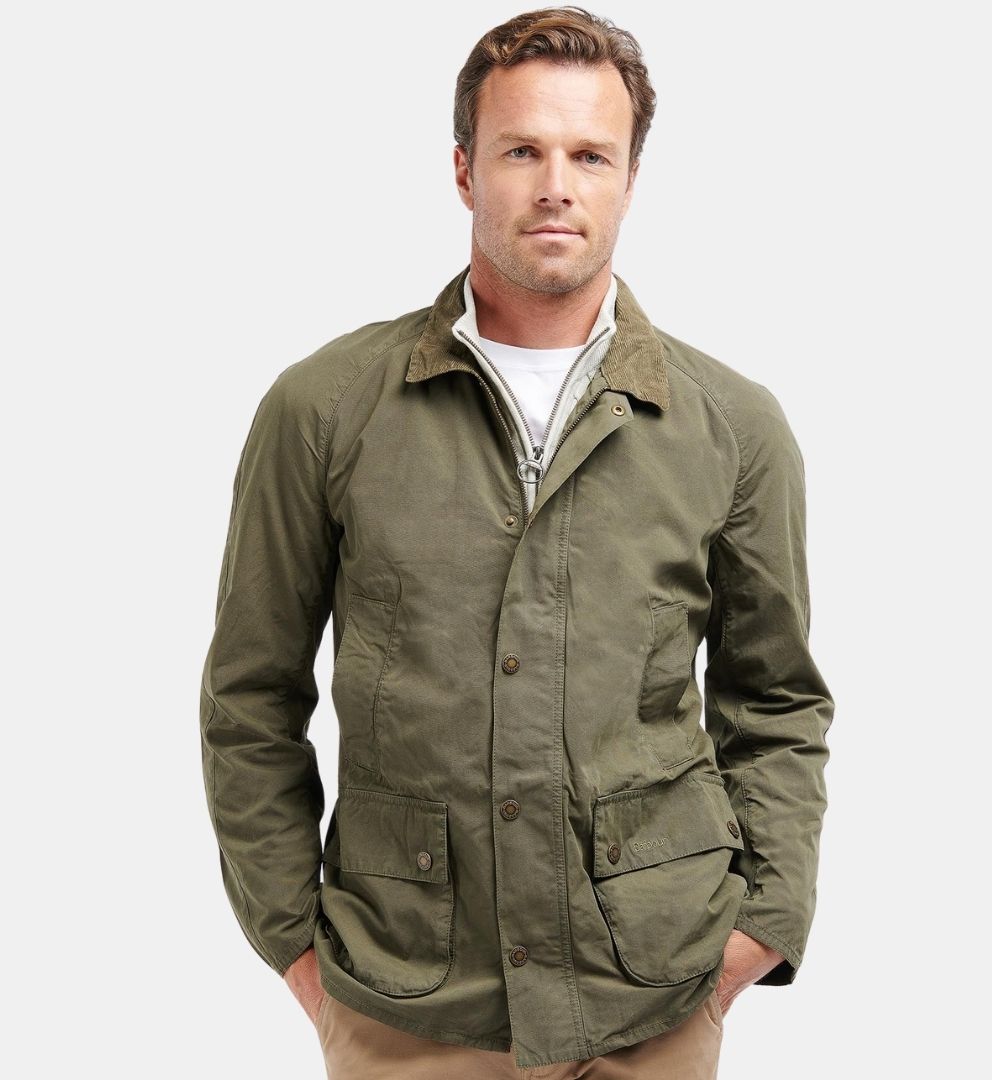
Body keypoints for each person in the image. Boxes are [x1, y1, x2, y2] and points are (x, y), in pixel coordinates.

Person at [199, 6, 834, 1078]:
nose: (555, 186)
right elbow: (250, 696)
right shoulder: (325, 409)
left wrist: (756, 934)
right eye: (521, 151)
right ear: (463, 170)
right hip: (403, 1001)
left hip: (656, 993)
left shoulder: (733, 425)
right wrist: (298, 952)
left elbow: (774, 699)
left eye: (590, 155)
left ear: (630, 178)